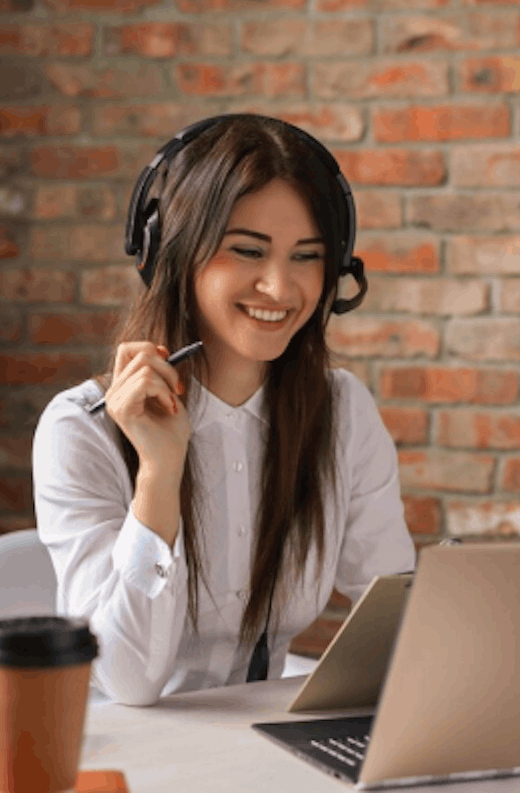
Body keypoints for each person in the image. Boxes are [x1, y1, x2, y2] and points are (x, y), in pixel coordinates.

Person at [31, 114, 416, 706]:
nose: (281, 288)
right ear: (171, 251)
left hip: (262, 749)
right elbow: (128, 681)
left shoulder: (341, 411)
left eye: (307, 257)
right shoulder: (80, 429)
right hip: (115, 753)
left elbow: (396, 616)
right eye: (247, 251)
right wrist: (159, 472)